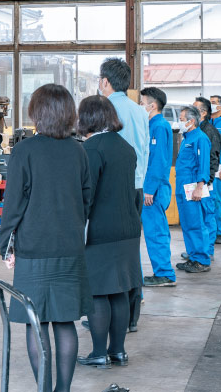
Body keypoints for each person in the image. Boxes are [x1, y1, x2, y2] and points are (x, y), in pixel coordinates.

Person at [0, 84, 93, 392]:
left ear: (37, 113)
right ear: (69, 114)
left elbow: (13, 204)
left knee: (35, 321)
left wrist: (5, 245)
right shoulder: (78, 150)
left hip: (34, 248)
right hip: (70, 246)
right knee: (65, 321)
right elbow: (86, 199)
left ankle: (44, 389)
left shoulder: (25, 150)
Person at [76, 95, 141, 370]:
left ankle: (99, 353)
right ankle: (119, 352)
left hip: (101, 230)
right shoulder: (125, 146)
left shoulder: (92, 148)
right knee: (120, 290)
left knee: (99, 292)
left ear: (87, 118)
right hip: (128, 228)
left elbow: (86, 194)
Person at [98, 58, 149, 330]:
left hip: (111, 190)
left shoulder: (105, 110)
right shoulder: (140, 111)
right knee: (131, 250)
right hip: (136, 188)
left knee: (105, 252)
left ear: (105, 81)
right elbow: (146, 152)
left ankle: (105, 315)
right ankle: (131, 316)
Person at [140, 87, 175, 287]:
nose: (139, 106)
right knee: (155, 230)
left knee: (156, 231)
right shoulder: (152, 124)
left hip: (154, 189)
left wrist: (149, 189)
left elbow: (158, 161)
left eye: (142, 102)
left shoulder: (159, 126)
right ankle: (163, 271)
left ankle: (165, 273)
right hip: (152, 187)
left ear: (152, 105)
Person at [175, 106, 211, 273]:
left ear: (192, 121)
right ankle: (193, 256)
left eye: (182, 119)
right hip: (182, 187)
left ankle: (202, 260)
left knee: (196, 223)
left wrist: (199, 187)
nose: (180, 122)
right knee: (188, 224)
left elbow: (203, 164)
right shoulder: (186, 138)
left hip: (193, 188)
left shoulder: (200, 138)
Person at [186, 97, 220, 261]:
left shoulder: (208, 132)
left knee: (207, 216)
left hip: (205, 182)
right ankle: (198, 249)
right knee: (197, 218)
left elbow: (213, 159)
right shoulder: (196, 130)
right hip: (197, 181)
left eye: (194, 110)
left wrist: (207, 182)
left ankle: (207, 250)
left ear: (203, 113)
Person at [209, 94, 221, 245]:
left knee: (217, 199)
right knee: (212, 199)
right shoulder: (209, 122)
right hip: (211, 166)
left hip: (219, 167)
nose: (211, 105)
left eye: (214, 103)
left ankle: (219, 231)